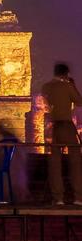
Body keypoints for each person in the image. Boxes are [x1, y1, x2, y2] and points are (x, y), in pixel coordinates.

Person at [41, 62, 82, 206]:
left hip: (54, 126)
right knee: (75, 162)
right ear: (66, 74)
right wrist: (72, 85)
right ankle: (78, 197)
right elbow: (79, 102)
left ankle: (58, 197)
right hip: (66, 125)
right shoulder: (67, 86)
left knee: (55, 164)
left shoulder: (46, 87)